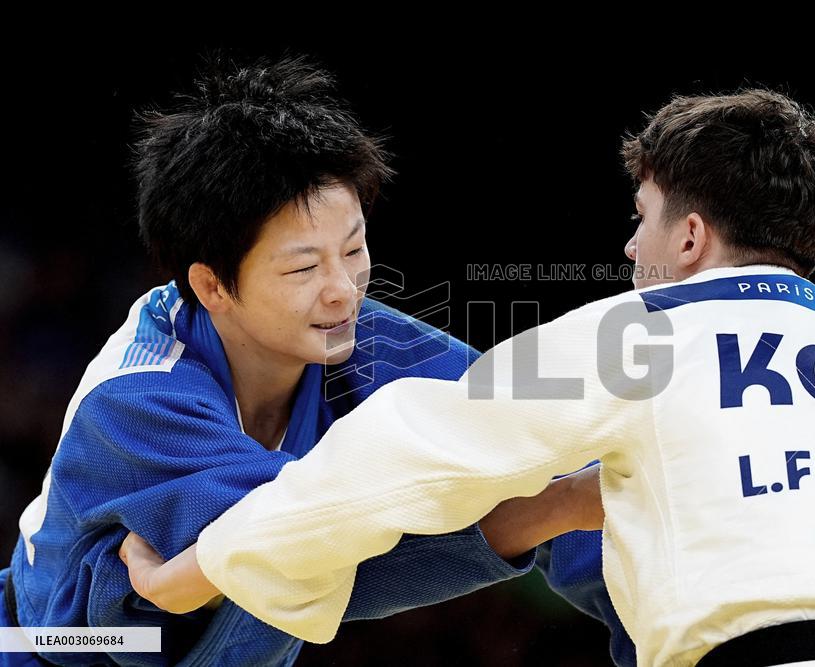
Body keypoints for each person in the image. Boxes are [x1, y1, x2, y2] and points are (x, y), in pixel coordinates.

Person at [121, 88, 815, 666]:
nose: (629, 246)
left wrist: (212, 562)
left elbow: (406, 452)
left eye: (642, 218)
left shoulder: (647, 334)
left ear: (689, 238)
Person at [0, 53, 626, 667]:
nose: (343, 288)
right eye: (303, 267)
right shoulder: (138, 399)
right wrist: (557, 505)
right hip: (61, 648)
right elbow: (304, 548)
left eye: (353, 250)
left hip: (226, 620)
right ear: (214, 285)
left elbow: (537, 441)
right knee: (280, 560)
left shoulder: (355, 332)